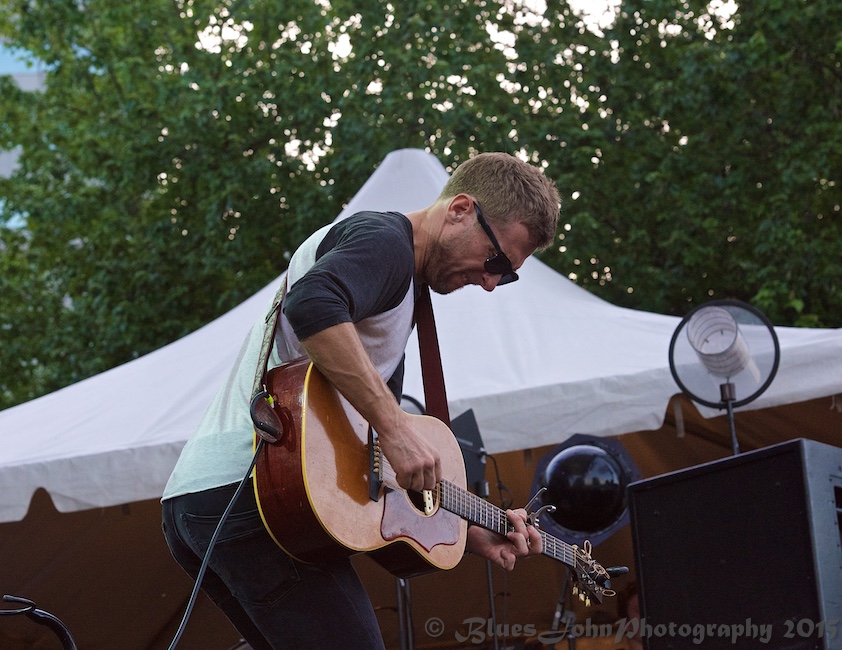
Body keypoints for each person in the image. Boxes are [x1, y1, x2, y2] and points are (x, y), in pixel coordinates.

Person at [161, 152, 561, 650]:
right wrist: (395, 428)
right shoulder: (387, 243)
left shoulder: (396, 288)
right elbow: (312, 302)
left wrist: (470, 528)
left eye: (507, 275)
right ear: (459, 209)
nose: (490, 281)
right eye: (496, 260)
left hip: (210, 502)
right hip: (253, 500)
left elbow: (364, 463)